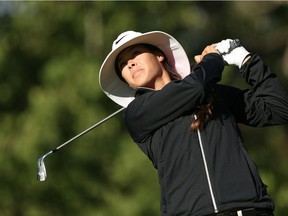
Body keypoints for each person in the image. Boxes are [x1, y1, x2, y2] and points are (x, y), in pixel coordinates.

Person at [99, 30, 288, 216]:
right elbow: (195, 86)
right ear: (127, 81)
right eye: (123, 64)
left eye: (135, 53)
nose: (130, 63)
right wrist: (212, 59)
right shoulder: (137, 113)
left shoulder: (214, 95)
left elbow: (278, 109)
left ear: (159, 56)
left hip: (249, 209)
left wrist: (246, 61)